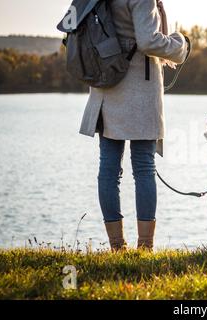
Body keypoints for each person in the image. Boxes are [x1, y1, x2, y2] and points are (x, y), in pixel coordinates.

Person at [79, 0, 188, 251]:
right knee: (143, 167)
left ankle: (117, 246)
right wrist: (179, 45)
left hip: (106, 85)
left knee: (108, 168)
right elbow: (148, 41)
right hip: (139, 89)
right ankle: (145, 246)